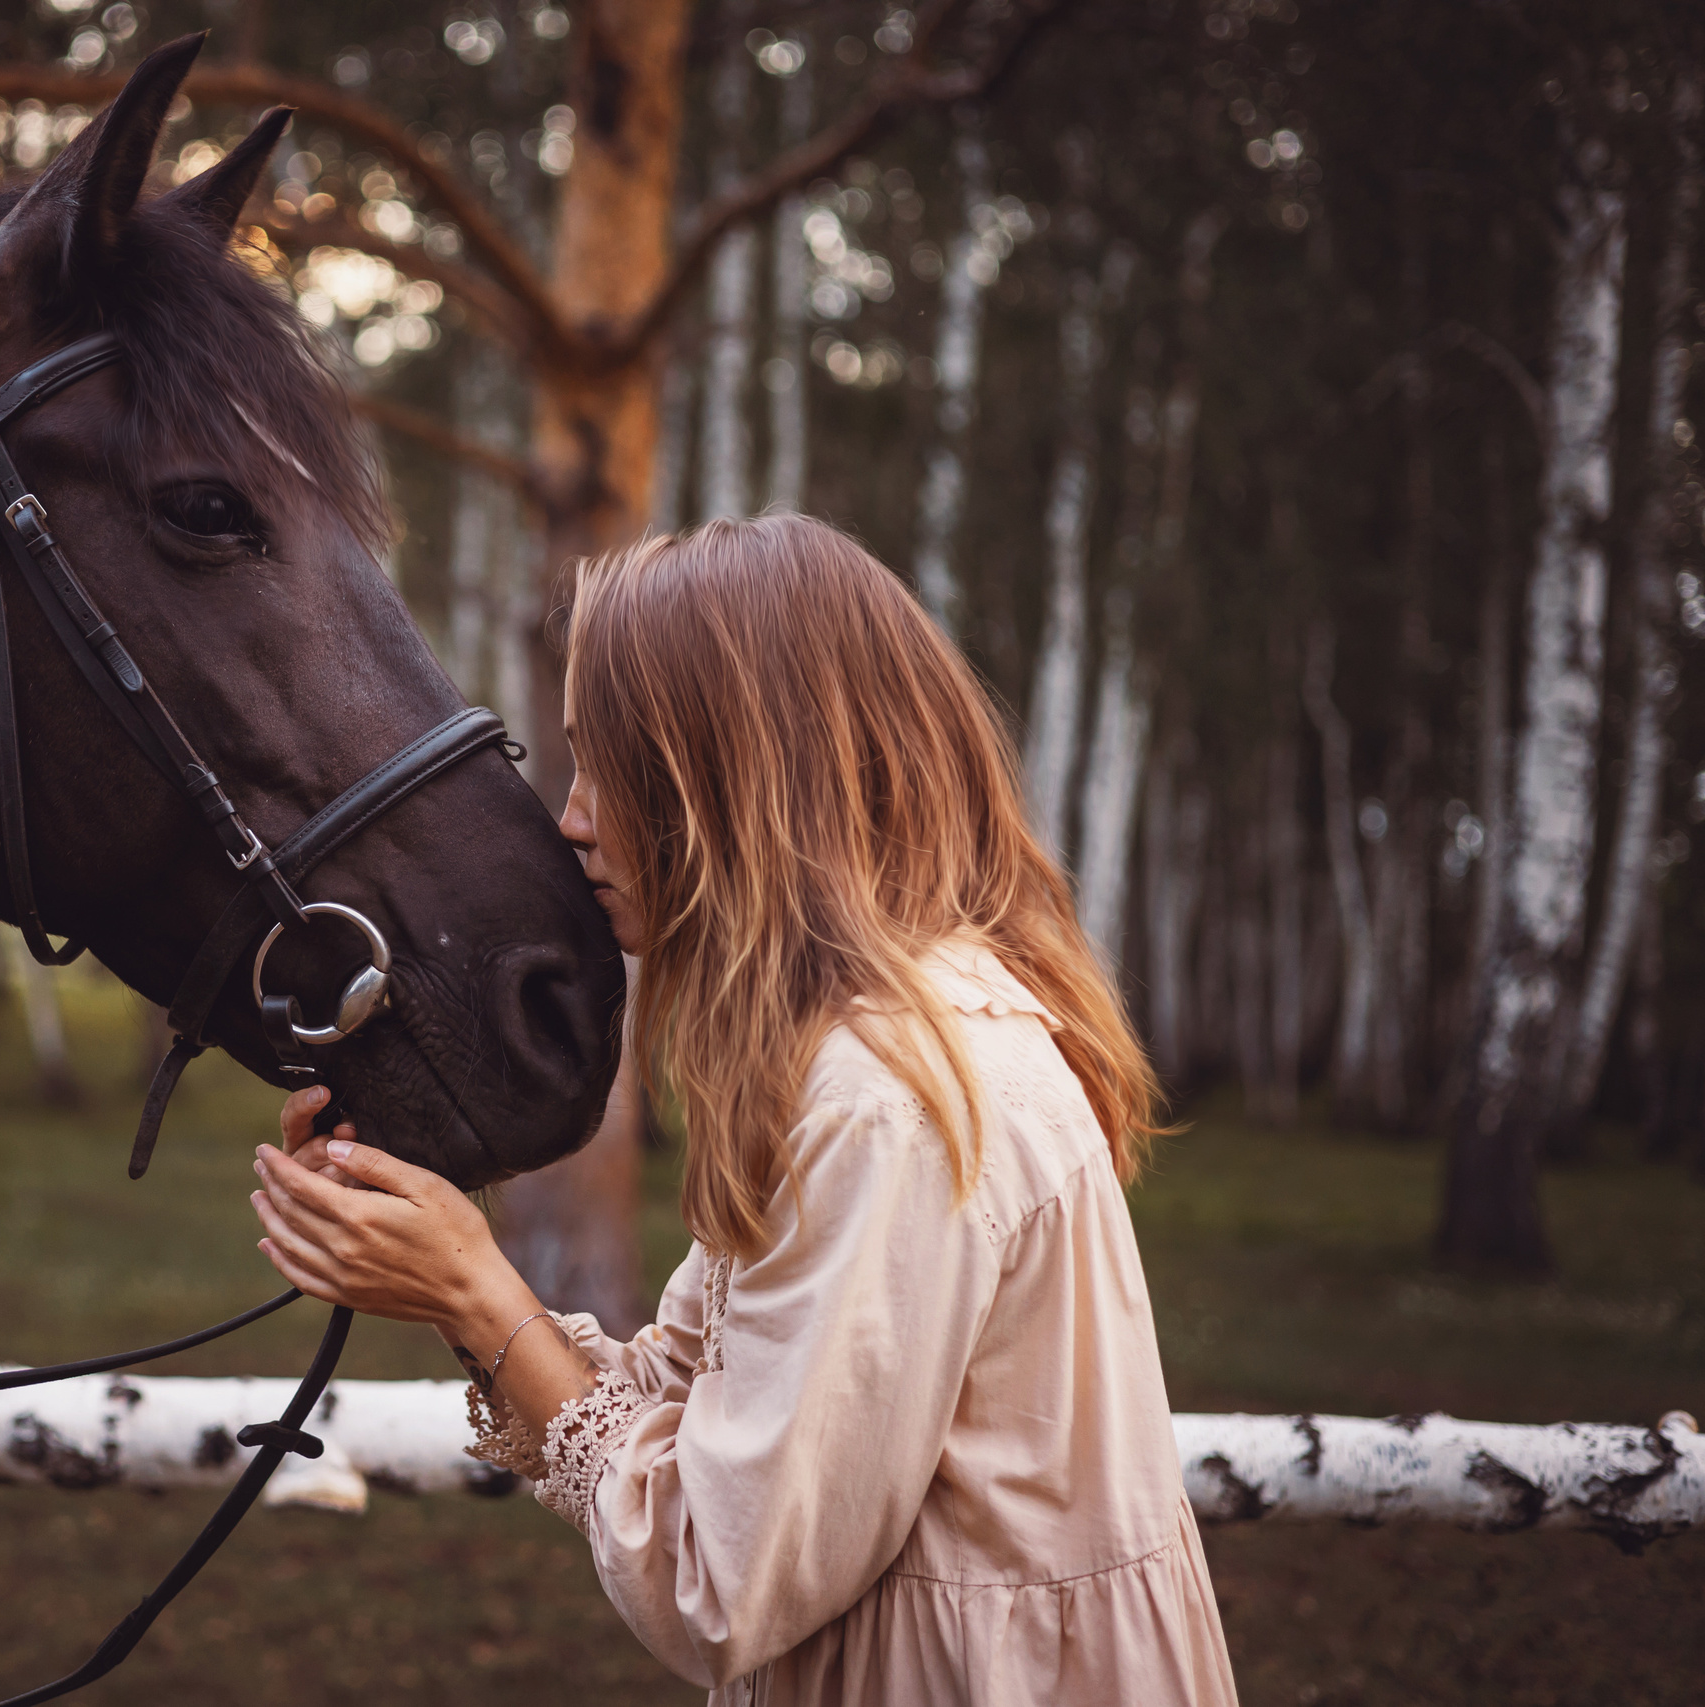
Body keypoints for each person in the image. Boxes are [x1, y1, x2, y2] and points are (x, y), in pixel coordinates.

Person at [248, 514, 1239, 1705]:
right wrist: (433, 1260)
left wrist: (476, 1287)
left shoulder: (890, 1103)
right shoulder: (860, 1049)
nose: (572, 818)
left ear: (744, 775)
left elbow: (719, 1577)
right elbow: (686, 1409)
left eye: (613, 765)